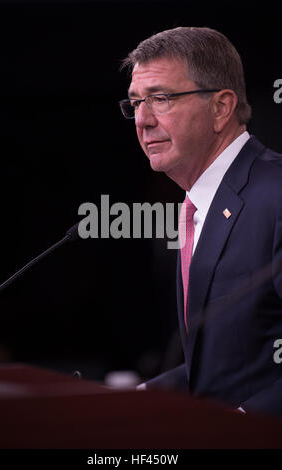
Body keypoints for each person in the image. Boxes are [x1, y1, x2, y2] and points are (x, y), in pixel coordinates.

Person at [119, 27, 282, 417]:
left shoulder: (275, 196)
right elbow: (219, 370)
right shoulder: (198, 205)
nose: (142, 120)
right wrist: (133, 398)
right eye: (135, 102)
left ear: (221, 108)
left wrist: (241, 424)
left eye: (160, 99)